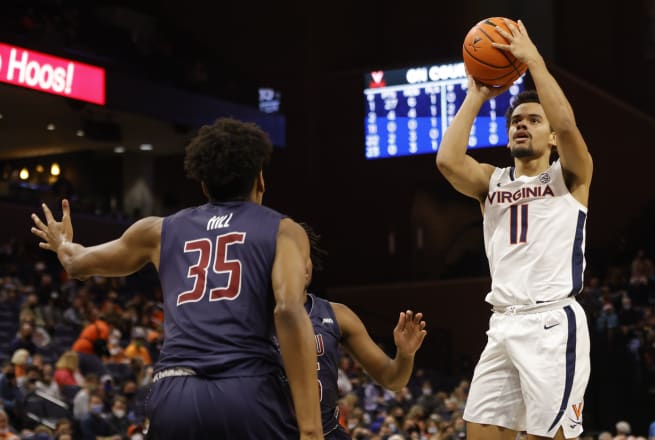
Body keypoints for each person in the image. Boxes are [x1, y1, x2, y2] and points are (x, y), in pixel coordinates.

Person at [31, 117, 323, 439]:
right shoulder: (284, 230)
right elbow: (287, 310)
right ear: (261, 180)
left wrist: (62, 243)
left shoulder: (158, 231)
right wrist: (310, 429)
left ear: (203, 185)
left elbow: (77, 263)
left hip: (174, 391)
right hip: (246, 388)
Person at [435, 20, 593, 440]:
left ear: (553, 137)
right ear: (507, 138)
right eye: (516, 121)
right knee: (480, 432)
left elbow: (569, 125)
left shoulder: (571, 177)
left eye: (534, 120)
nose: (522, 125)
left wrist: (535, 63)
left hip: (551, 325)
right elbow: (448, 161)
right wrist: (476, 96)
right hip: (502, 323)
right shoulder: (492, 182)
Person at [298, 223, 427, 439]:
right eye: (292, 256)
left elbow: (392, 380)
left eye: (305, 255)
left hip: (327, 433)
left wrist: (405, 355)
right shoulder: (252, 316)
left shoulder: (338, 314)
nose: (301, 263)